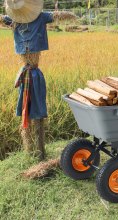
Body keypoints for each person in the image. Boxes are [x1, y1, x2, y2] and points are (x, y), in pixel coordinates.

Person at [0, 0, 75, 160]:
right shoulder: (34, 18)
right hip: (30, 74)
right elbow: (58, 15)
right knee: (31, 110)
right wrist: (71, 15)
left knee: (33, 111)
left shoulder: (16, 20)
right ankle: (34, 151)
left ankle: (37, 151)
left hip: (28, 74)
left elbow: (57, 15)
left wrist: (69, 15)